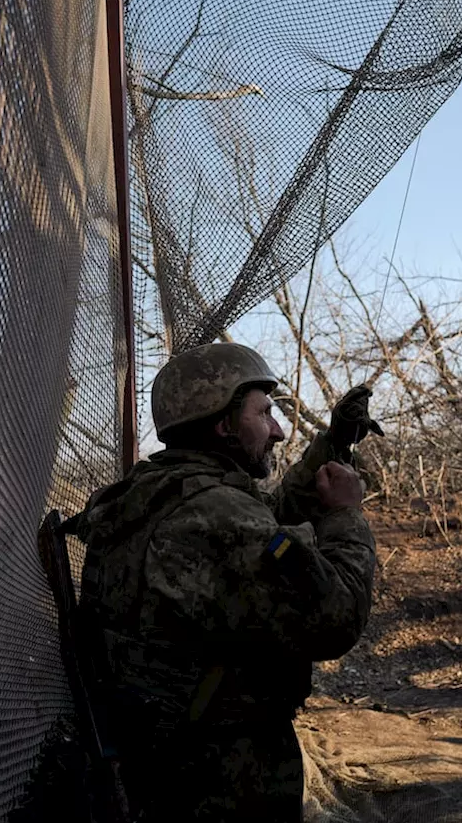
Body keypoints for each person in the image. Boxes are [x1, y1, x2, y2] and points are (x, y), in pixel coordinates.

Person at [77, 342, 381, 821]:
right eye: (264, 414)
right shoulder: (217, 516)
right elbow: (336, 618)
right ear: (224, 426)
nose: (279, 430)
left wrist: (334, 443)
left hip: (157, 765)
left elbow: (268, 522)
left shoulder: (156, 493)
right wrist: (345, 514)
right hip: (221, 778)